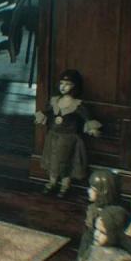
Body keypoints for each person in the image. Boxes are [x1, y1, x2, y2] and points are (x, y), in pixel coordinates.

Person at [34, 69, 102, 197]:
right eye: (61, 83)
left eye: (67, 84)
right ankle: (52, 182)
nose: (63, 87)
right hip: (53, 136)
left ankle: (65, 186)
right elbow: (47, 111)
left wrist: (93, 128)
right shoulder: (55, 101)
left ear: (75, 86)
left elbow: (87, 117)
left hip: (68, 139)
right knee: (53, 159)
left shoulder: (77, 105)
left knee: (66, 162)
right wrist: (41, 116)